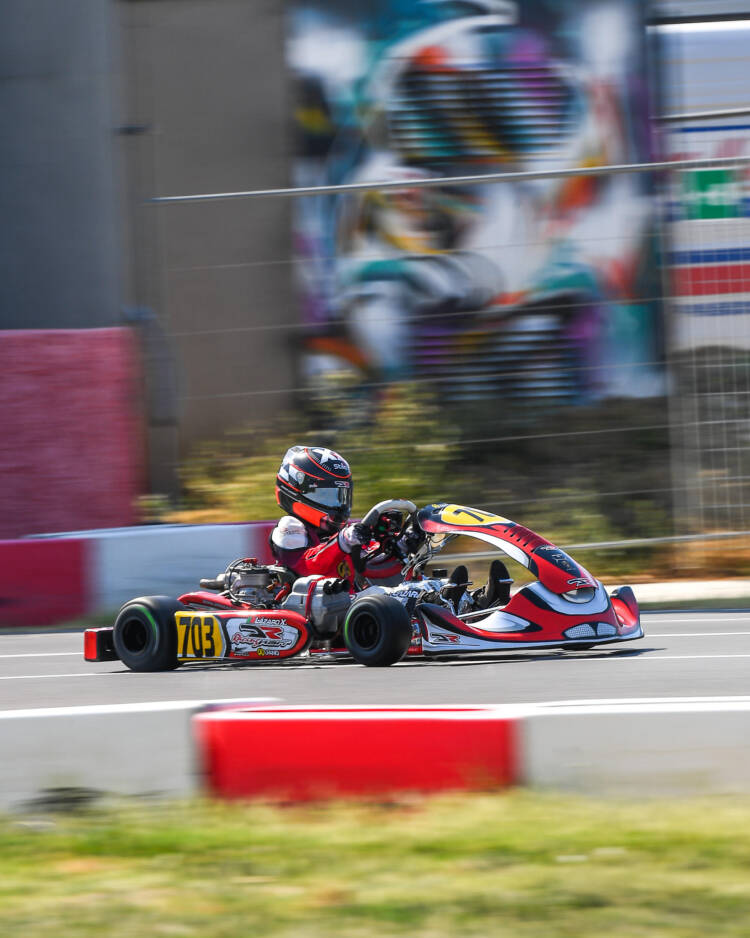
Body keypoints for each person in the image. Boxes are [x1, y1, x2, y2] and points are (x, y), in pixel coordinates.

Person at [271, 445, 403, 581]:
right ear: (296, 490)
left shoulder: (337, 535)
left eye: (340, 496)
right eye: (324, 495)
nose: (337, 505)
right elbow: (307, 567)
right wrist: (344, 541)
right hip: (315, 599)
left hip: (353, 598)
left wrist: (399, 543)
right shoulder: (290, 526)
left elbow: (371, 561)